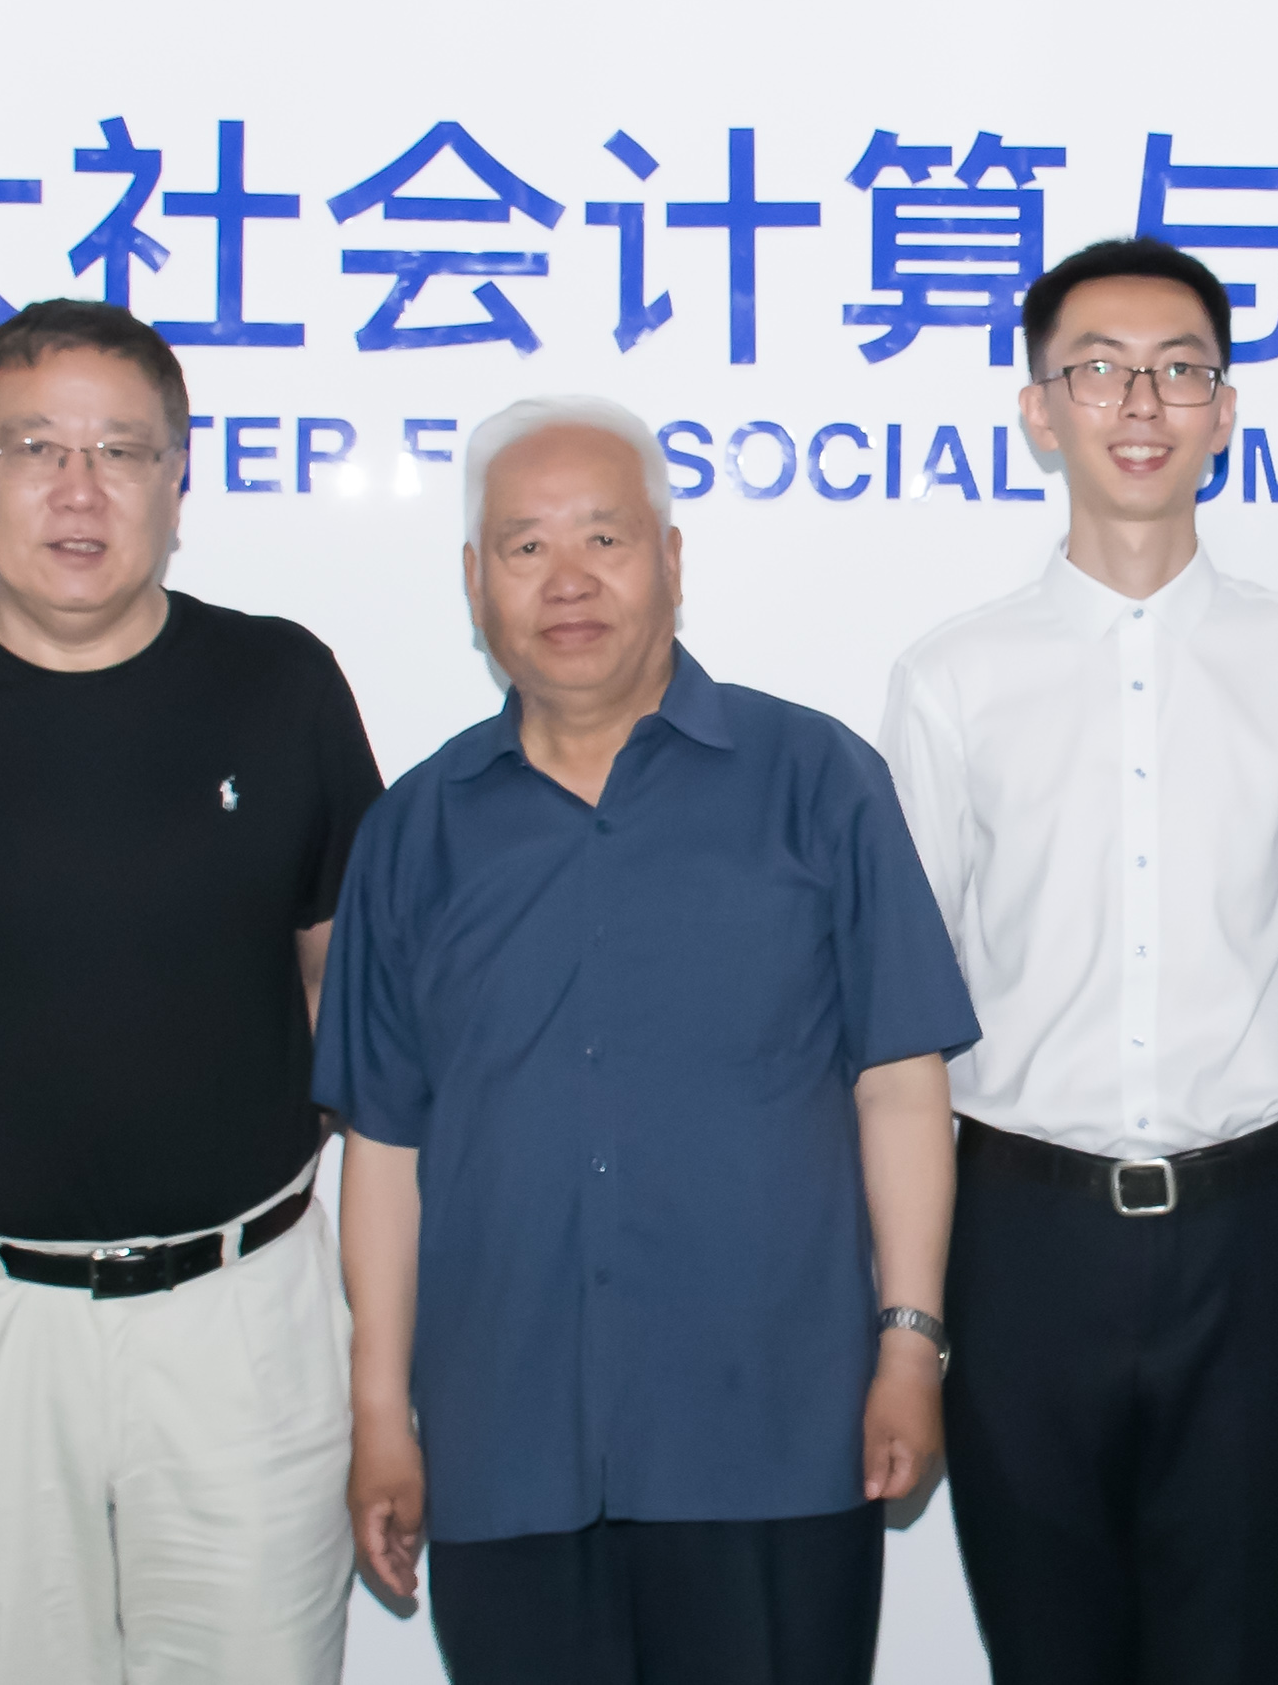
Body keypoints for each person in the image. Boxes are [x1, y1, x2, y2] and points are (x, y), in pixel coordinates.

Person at [311, 396, 978, 1685]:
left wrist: (909, 1341)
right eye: (526, 547)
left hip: (773, 1434)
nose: (568, 581)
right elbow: (385, 1148)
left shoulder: (815, 780)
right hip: (506, 1444)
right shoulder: (416, 830)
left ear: (671, 559)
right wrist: (382, 1415)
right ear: (474, 584)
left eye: (605, 538)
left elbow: (901, 1086)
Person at [0, 301, 382, 1683]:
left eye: (121, 451)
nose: (77, 490)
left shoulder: (279, 683)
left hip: (244, 1310)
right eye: (33, 448)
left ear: (179, 479)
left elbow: (340, 976)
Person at [876, 239, 1278, 1685]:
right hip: (1020, 1242)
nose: (1141, 403)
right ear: (1039, 411)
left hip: (1252, 1241)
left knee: (1235, 1654)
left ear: (1226, 410)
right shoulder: (953, 678)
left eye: (1180, 370)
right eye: (1097, 369)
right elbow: (913, 996)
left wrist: (1269, 1163)